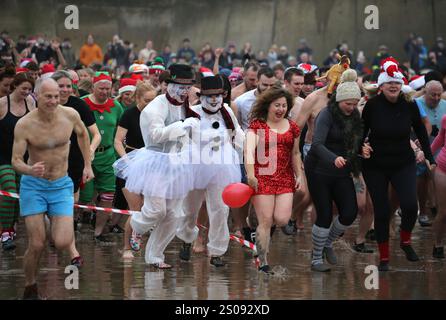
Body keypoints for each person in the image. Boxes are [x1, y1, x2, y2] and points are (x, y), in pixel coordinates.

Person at [11, 78, 93, 299]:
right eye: (49, 96)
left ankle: (50, 222)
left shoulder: (70, 115)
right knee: (37, 243)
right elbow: (16, 161)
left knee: (63, 241)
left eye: (57, 96)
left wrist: (87, 164)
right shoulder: (25, 124)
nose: (54, 100)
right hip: (34, 186)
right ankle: (30, 286)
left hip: (61, 184)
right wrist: (29, 169)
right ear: (36, 96)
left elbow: (84, 134)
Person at [114, 64, 199, 269]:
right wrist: (182, 125)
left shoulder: (184, 106)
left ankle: (155, 256)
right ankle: (136, 227)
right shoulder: (155, 106)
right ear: (167, 85)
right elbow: (154, 135)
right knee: (155, 211)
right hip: (155, 162)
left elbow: (190, 135)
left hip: (178, 163)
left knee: (174, 214)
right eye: (180, 86)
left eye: (188, 87)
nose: (184, 91)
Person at [361, 57, 436, 271]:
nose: (393, 86)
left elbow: (421, 131)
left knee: (411, 205)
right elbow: (361, 132)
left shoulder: (410, 105)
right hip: (375, 164)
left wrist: (429, 156)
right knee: (382, 211)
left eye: (396, 82)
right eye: (389, 82)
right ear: (381, 86)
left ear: (401, 85)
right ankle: (384, 257)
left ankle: (405, 241)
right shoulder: (372, 106)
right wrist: (359, 148)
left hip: (403, 161)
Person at [176, 76, 244, 267]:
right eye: (209, 96)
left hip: (222, 166)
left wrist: (251, 149)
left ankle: (217, 252)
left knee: (220, 209)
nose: (214, 99)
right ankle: (186, 240)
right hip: (195, 165)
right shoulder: (191, 112)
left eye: (218, 95)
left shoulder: (227, 112)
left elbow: (238, 134)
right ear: (202, 96)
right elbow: (182, 139)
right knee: (189, 209)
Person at [305, 70, 364, 272]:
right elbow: (317, 145)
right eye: (348, 103)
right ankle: (315, 259)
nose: (352, 107)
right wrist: (334, 158)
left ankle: (327, 243)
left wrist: (362, 149)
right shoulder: (326, 114)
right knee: (324, 214)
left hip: (341, 170)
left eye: (355, 103)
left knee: (350, 212)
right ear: (339, 100)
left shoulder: (355, 115)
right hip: (319, 168)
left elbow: (356, 141)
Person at [245, 86, 302, 274]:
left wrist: (299, 174)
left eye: (284, 105)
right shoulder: (257, 125)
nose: (280, 109)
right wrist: (251, 175)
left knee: (282, 218)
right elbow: (248, 153)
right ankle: (263, 260)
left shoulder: (292, 126)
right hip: (262, 177)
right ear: (268, 106)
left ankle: (255, 223)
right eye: (277, 105)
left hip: (285, 177)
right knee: (266, 220)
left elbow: (295, 153)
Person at [51, 70, 101, 266]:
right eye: (60, 86)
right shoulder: (45, 104)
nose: (64, 90)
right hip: (50, 160)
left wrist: (89, 151)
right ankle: (55, 239)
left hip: (75, 160)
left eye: (68, 86)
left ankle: (66, 244)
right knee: (52, 204)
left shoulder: (79, 106)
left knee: (70, 204)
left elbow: (95, 134)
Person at [114, 81, 157, 258]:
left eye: (153, 100)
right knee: (135, 209)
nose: (150, 104)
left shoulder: (157, 114)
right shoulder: (129, 114)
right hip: (132, 162)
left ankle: (147, 244)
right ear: (137, 98)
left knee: (151, 208)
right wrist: (127, 162)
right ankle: (126, 247)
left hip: (152, 164)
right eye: (146, 100)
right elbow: (117, 141)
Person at [80, 72, 124, 241]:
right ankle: (74, 226)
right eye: (101, 88)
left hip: (108, 156)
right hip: (86, 156)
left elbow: (121, 131)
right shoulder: (82, 103)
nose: (104, 92)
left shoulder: (116, 106)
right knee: (84, 196)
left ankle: (98, 232)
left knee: (108, 195)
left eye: (108, 88)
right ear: (93, 87)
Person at [0, 73, 36, 250]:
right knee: (9, 188)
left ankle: (12, 229)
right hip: (3, 157)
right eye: (24, 88)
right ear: (14, 86)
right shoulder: (2, 104)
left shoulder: (31, 103)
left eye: (30, 89)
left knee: (18, 195)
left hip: (23, 158)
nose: (27, 92)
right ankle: (5, 232)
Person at [431, 114, 446, 259]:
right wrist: (427, 153)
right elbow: (441, 137)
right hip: (444, 168)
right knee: (443, 212)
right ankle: (438, 244)